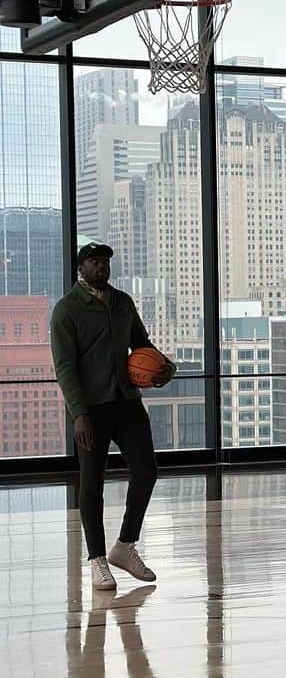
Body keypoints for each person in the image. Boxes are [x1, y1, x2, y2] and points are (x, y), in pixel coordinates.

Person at [50, 243, 175, 590]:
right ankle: (97, 561)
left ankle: (124, 546)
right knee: (91, 485)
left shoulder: (122, 303)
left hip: (126, 401)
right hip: (90, 409)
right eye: (94, 261)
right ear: (81, 269)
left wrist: (166, 367)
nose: (101, 266)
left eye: (105, 261)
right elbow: (64, 367)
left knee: (147, 470)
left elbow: (142, 345)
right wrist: (78, 415)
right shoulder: (66, 310)